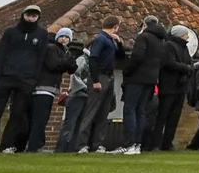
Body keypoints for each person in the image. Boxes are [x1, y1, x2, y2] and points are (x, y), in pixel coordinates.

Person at [0, 5, 49, 154]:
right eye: (29, 15)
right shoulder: (10, 32)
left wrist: (34, 80)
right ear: (23, 15)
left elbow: (41, 58)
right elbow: (1, 55)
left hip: (26, 81)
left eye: (34, 16)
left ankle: (6, 146)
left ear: (38, 17)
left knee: (17, 114)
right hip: (5, 78)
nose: (31, 18)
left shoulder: (42, 34)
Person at [117, 15, 172, 156]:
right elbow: (163, 61)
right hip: (151, 79)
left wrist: (127, 71)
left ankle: (129, 144)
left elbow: (137, 56)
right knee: (141, 111)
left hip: (137, 78)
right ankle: (137, 144)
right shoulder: (162, 41)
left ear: (144, 25)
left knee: (130, 109)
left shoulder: (143, 37)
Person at [17, 26, 77, 153]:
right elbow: (53, 64)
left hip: (50, 89)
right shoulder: (51, 48)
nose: (64, 39)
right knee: (40, 118)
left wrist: (68, 60)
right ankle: (35, 146)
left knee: (42, 118)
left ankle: (33, 145)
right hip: (43, 88)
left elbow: (72, 68)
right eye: (62, 36)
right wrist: (66, 61)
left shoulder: (65, 52)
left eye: (67, 37)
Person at [71, 16, 123, 153]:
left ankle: (97, 144)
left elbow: (121, 56)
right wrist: (95, 80)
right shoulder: (101, 39)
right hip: (100, 76)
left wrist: (119, 43)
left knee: (103, 113)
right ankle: (82, 144)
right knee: (91, 111)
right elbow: (93, 58)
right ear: (115, 26)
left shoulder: (111, 41)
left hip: (109, 77)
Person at [146, 25, 194, 152]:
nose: (187, 37)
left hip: (181, 87)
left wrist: (189, 68)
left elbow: (190, 62)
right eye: (185, 34)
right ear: (180, 35)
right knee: (162, 115)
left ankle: (167, 143)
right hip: (168, 86)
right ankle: (155, 144)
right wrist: (187, 68)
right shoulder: (168, 46)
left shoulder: (185, 48)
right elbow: (169, 63)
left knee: (174, 117)